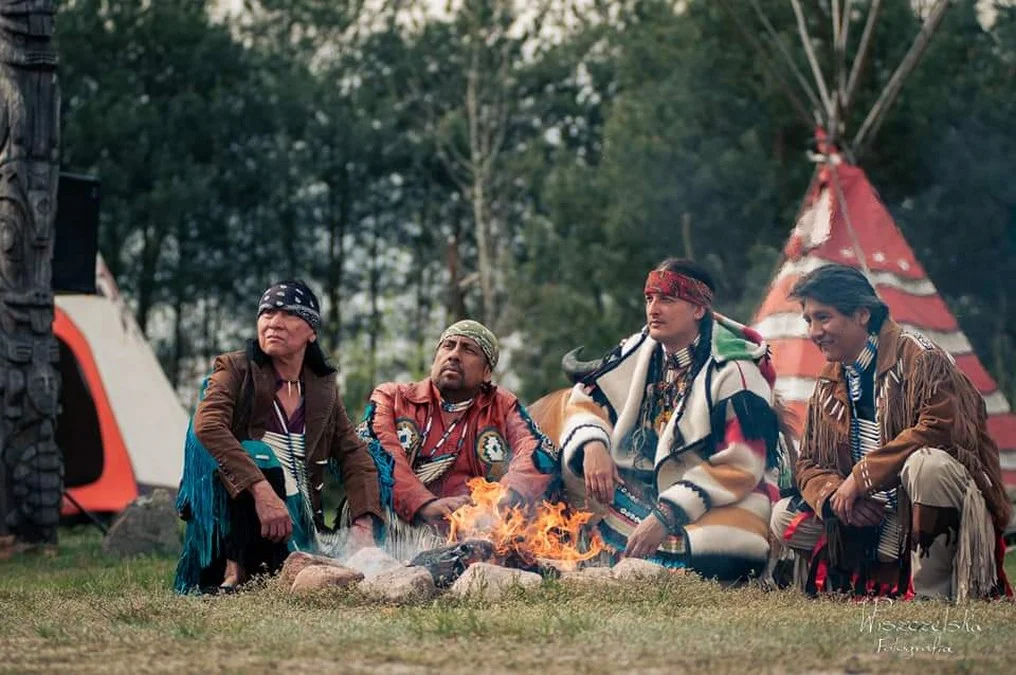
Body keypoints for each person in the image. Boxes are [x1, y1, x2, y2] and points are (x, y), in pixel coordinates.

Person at [531, 258, 783, 580]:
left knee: (729, 552)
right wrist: (594, 444)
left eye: (667, 299)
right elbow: (586, 399)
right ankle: (596, 554)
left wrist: (666, 515)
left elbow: (742, 464)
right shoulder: (639, 352)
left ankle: (616, 558)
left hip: (716, 504)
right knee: (557, 466)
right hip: (644, 493)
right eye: (649, 299)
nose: (654, 309)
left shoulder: (736, 371)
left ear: (698, 309)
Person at [770, 264, 1012, 600]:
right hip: (871, 525)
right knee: (784, 515)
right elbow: (809, 462)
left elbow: (939, 430)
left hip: (926, 511)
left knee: (928, 465)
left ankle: (932, 597)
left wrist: (862, 476)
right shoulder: (830, 381)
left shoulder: (920, 357)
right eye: (809, 320)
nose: (814, 331)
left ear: (862, 314)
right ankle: (850, 586)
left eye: (823, 317)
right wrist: (838, 495)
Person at [173, 280, 386, 593]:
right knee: (254, 451)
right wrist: (261, 492)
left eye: (288, 314)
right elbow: (207, 426)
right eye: (267, 313)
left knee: (375, 456)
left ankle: (289, 565)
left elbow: (353, 453)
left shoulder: (323, 388)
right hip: (238, 515)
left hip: (296, 514)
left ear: (311, 331)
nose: (273, 321)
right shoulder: (234, 369)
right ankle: (237, 570)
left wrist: (364, 523)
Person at [358, 320, 553, 530]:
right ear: (435, 358)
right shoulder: (393, 398)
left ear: (487, 372)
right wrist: (424, 504)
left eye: (469, 350)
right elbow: (379, 452)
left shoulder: (502, 406)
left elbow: (536, 450)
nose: (454, 355)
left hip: (475, 528)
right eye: (448, 345)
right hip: (394, 527)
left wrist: (500, 498)